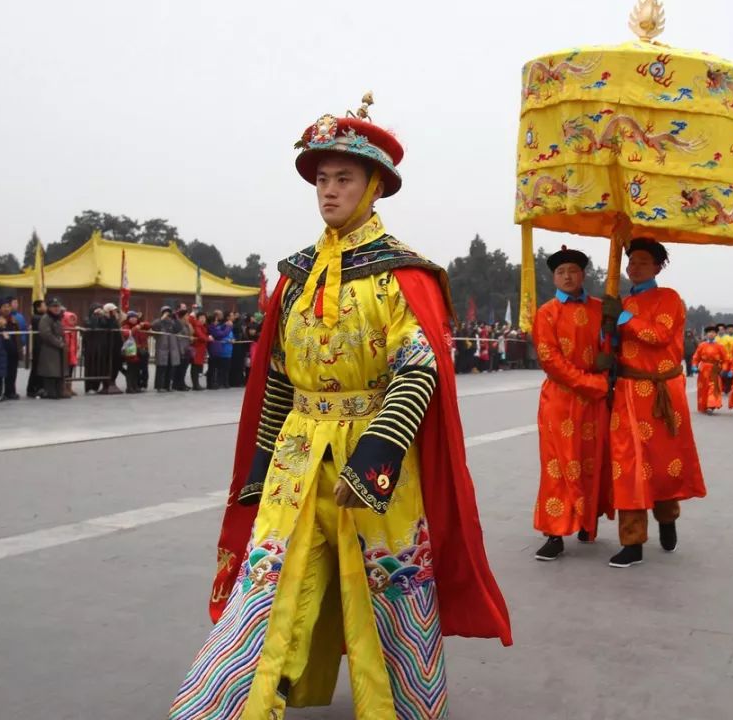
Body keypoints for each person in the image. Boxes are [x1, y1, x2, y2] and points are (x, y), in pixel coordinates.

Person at [169, 102, 510, 720]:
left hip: (374, 455)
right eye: (322, 179)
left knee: (389, 587)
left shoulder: (402, 275)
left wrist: (378, 456)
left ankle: (401, 708)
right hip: (297, 454)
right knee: (269, 584)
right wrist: (261, 459)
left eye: (344, 179)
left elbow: (419, 367)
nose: (329, 190)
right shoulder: (296, 276)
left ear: (375, 187)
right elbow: (276, 376)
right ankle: (230, 706)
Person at [601, 237, 706, 569]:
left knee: (661, 465)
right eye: (631, 262)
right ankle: (632, 542)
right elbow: (614, 344)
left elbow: (658, 336)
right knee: (627, 464)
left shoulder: (669, 298)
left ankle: (667, 517)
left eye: (643, 262)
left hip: (660, 394)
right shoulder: (620, 301)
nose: (634, 267)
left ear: (659, 267)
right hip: (627, 391)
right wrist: (607, 332)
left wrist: (621, 320)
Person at [531, 246, 611, 561]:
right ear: (554, 276)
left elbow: (609, 350)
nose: (567, 276)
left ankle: (587, 522)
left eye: (573, 271)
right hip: (560, 400)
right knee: (557, 465)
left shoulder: (600, 309)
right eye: (561, 272)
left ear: (583, 275)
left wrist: (609, 355)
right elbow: (551, 361)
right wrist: (595, 384)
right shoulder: (546, 312)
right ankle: (554, 532)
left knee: (591, 462)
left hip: (593, 403)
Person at [37, 298, 69, 399]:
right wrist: (58, 343)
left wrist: (63, 343)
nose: (57, 308)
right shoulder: (45, 318)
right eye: (54, 306)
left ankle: (59, 391)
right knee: (50, 372)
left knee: (59, 372)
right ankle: (50, 392)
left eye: (58, 306)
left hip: (58, 348)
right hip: (49, 349)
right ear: (49, 307)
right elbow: (46, 334)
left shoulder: (57, 318)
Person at [692, 325, 727, 414]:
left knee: (713, 387)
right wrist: (694, 366)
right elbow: (696, 357)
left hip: (714, 368)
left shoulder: (720, 346)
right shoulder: (701, 345)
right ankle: (704, 405)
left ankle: (711, 406)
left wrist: (724, 369)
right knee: (703, 388)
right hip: (703, 369)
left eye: (713, 332)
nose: (711, 334)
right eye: (709, 332)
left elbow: (725, 359)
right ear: (706, 334)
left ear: (716, 334)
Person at [151, 305, 181, 393]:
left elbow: (179, 328)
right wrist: (162, 318)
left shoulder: (172, 323)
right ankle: (159, 386)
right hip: (162, 349)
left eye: (169, 312)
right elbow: (153, 326)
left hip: (171, 350)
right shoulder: (158, 322)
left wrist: (176, 318)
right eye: (165, 312)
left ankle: (168, 386)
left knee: (170, 369)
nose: (168, 315)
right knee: (161, 369)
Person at [122, 311, 150, 394]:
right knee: (131, 369)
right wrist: (135, 328)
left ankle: (136, 386)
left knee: (137, 370)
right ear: (128, 319)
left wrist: (142, 324)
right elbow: (127, 334)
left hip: (140, 350)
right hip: (131, 350)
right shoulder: (125, 326)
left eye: (135, 317)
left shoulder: (140, 325)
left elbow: (149, 325)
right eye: (132, 317)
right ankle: (129, 387)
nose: (134, 319)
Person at [101, 303, 124, 394]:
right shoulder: (105, 319)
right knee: (108, 365)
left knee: (116, 365)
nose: (115, 312)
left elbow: (123, 317)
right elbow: (109, 327)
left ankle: (113, 382)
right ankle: (107, 383)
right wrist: (110, 317)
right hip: (108, 346)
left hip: (116, 346)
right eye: (113, 310)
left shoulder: (116, 319)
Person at [207, 309, 233, 389]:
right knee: (212, 368)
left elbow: (220, 329)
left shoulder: (215, 327)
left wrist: (225, 325)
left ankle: (215, 383)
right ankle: (210, 384)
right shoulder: (211, 327)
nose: (217, 322)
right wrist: (228, 327)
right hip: (213, 350)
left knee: (216, 368)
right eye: (215, 321)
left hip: (217, 350)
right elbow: (221, 334)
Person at [27, 299, 46, 398]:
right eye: (44, 305)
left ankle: (39, 387)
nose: (45, 307)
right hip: (38, 346)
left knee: (40, 368)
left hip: (42, 346)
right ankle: (32, 388)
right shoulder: (36, 318)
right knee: (36, 369)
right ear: (38, 307)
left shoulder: (42, 317)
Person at [188, 310, 210, 390]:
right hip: (197, 349)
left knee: (197, 367)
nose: (203, 319)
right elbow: (200, 336)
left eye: (204, 318)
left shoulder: (203, 326)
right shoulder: (197, 325)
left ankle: (196, 384)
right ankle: (195, 385)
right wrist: (208, 338)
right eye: (201, 318)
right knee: (195, 367)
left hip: (201, 349)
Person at [718, 322, 733, 394]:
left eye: (732, 329)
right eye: (729, 329)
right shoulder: (724, 338)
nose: (730, 330)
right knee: (723, 374)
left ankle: (732, 387)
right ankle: (725, 388)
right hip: (725, 359)